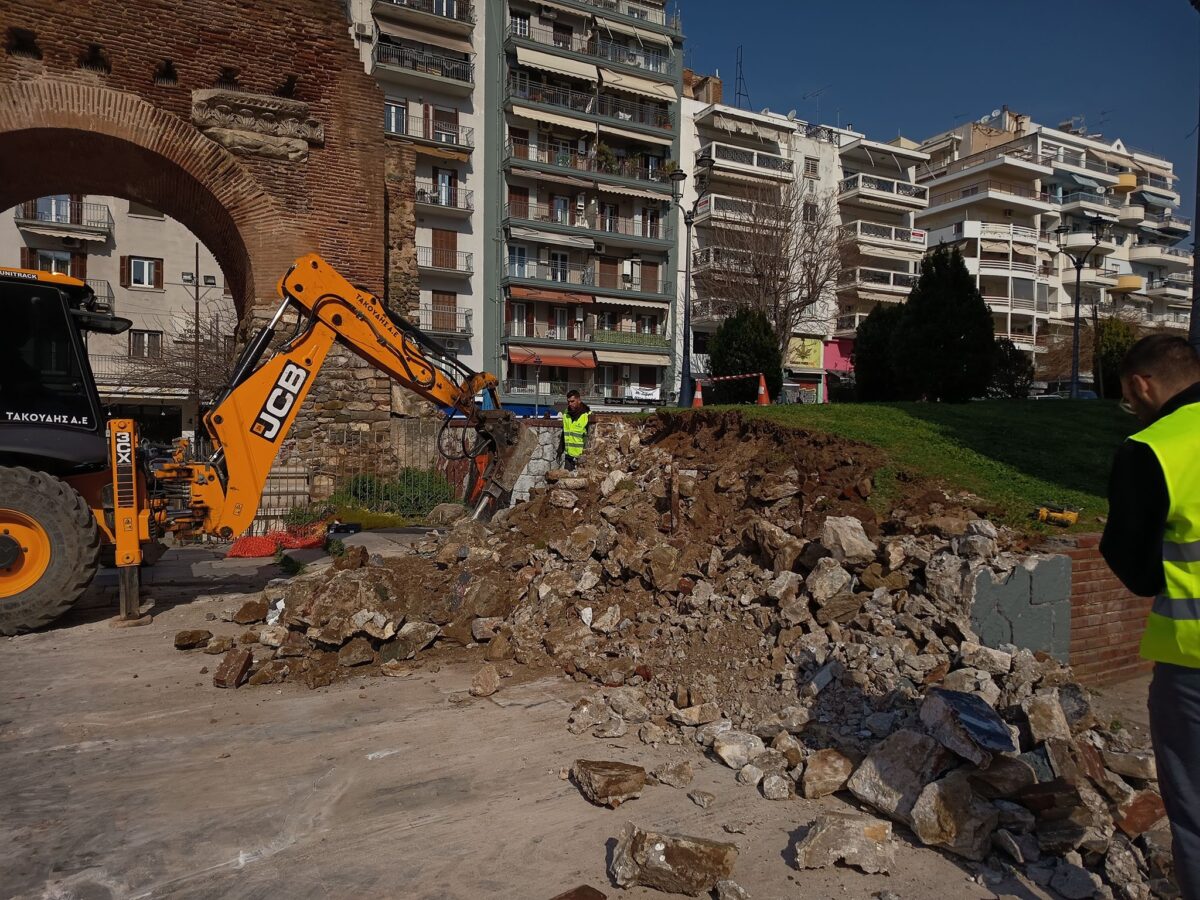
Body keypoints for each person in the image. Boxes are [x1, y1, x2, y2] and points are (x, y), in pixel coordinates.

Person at [1101, 334, 1200, 900]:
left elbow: (1134, 566)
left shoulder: (1153, 448)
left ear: (1142, 385)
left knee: (1194, 814)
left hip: (1193, 665)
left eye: (1127, 397)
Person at [559, 389, 590, 471]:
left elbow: (589, 438)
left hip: (580, 457)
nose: (570, 404)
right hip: (568, 456)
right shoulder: (566, 413)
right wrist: (560, 449)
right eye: (568, 402)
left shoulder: (587, 415)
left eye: (572, 401)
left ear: (579, 400)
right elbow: (564, 432)